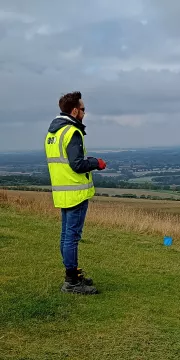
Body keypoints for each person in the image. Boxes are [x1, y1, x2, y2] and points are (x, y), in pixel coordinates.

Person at [44, 91, 106, 295]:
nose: (85, 113)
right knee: (72, 236)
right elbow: (77, 164)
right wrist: (96, 163)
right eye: (83, 109)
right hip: (75, 192)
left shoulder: (53, 133)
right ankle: (71, 281)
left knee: (66, 235)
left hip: (62, 192)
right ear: (74, 110)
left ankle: (73, 275)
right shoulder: (71, 132)